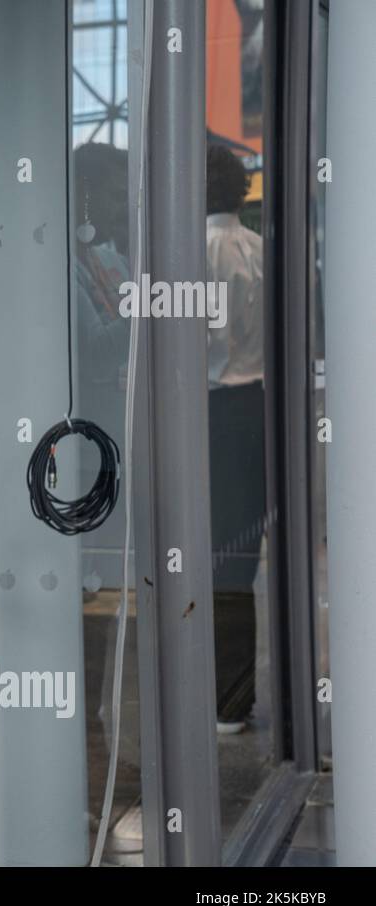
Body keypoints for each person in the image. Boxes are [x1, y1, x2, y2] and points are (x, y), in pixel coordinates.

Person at [205, 144, 265, 734]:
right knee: (239, 557)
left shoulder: (198, 251)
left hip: (212, 408)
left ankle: (219, 697)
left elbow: (204, 344)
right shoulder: (257, 247)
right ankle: (233, 698)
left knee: (211, 556)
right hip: (256, 404)